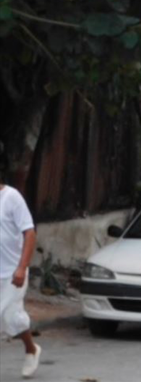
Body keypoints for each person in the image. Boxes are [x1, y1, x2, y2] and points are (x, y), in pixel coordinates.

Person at [0, 143, 42, 378]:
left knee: (8, 316)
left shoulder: (11, 197)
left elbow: (29, 232)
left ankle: (31, 348)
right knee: (8, 318)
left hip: (13, 272)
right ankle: (31, 348)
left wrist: (22, 267)